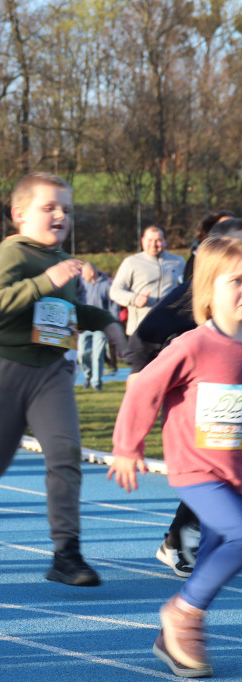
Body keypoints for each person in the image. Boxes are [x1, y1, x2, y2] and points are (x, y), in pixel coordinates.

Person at [0, 171, 125, 589]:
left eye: (67, 210)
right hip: (6, 369)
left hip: (52, 371)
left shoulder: (64, 263)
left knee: (64, 454)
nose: (60, 215)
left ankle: (66, 552)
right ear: (19, 214)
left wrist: (108, 323)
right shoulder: (11, 254)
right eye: (49, 207)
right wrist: (46, 282)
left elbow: (66, 314)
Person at [108, 235, 242, 678]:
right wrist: (127, 447)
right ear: (208, 292)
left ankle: (174, 636)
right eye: (237, 281)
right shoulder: (193, 345)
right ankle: (183, 612)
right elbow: (144, 388)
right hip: (196, 470)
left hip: (233, 471)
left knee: (221, 543)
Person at [127, 217, 242, 579]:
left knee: (219, 539)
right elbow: (145, 338)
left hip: (229, 442)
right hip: (194, 431)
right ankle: (182, 596)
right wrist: (129, 442)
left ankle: (174, 626)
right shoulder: (189, 319)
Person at [111, 225, 186, 336]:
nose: (153, 245)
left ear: (166, 241)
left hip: (170, 330)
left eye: (158, 240)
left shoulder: (179, 262)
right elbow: (115, 291)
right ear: (142, 241)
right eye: (149, 240)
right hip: (140, 331)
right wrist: (134, 299)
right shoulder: (131, 262)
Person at [76, 262, 119, 390]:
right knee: (82, 353)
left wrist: (112, 324)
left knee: (98, 354)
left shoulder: (107, 286)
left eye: (83, 274)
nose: (82, 276)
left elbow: (113, 306)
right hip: (85, 326)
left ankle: (97, 382)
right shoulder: (83, 285)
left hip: (101, 327)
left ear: (91, 273)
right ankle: (87, 376)